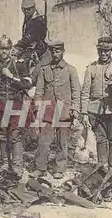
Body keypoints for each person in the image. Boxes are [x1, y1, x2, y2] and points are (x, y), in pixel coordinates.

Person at [0, 34, 33, 176]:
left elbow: (28, 83)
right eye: (1, 48)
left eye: (6, 48)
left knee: (15, 135)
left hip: (16, 105)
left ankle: (17, 165)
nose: (4, 51)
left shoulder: (19, 65)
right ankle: (5, 163)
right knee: (2, 135)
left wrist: (11, 76)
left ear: (11, 49)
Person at [30, 41, 81, 179]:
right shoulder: (44, 70)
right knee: (43, 141)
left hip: (65, 111)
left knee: (62, 142)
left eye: (58, 51)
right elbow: (39, 91)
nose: (55, 54)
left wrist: (75, 110)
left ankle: (59, 168)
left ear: (63, 51)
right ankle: (40, 167)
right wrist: (38, 109)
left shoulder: (71, 70)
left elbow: (76, 91)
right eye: (52, 51)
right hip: (48, 111)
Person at [80, 37, 112, 169]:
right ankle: (101, 166)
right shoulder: (91, 68)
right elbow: (85, 92)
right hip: (95, 110)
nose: (103, 53)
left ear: (111, 51)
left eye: (107, 51)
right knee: (100, 138)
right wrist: (84, 112)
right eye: (101, 51)